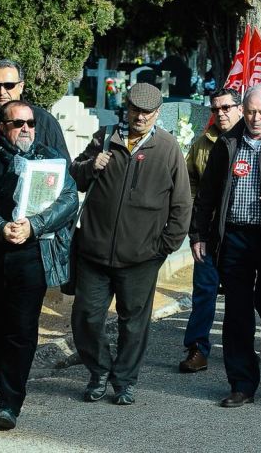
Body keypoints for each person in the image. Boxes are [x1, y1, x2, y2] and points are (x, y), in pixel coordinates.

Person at [0, 100, 78, 429]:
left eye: (30, 123)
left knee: (22, 329)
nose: (26, 129)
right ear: (2, 128)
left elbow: (69, 198)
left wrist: (34, 226)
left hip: (32, 255)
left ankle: (10, 403)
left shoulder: (51, 159)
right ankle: (2, 374)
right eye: (17, 123)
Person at [69, 83, 191, 405]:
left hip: (141, 257)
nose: (140, 117)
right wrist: (90, 165)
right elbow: (75, 176)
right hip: (94, 253)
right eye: (136, 110)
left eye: (148, 112)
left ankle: (124, 381)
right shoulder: (105, 137)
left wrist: (163, 247)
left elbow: (182, 204)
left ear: (157, 113)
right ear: (127, 107)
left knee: (133, 325)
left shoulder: (168, 148)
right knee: (86, 317)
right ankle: (99, 371)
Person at [190, 86, 261, 407]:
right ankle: (242, 383)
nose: (256, 118)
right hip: (235, 239)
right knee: (237, 313)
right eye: (251, 111)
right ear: (243, 110)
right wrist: (198, 234)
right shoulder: (227, 144)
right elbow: (207, 193)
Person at [0, 58, 70, 379]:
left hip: (31, 235)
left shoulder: (42, 121)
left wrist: (36, 221)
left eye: (8, 85)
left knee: (23, 314)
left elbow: (62, 174)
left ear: (21, 86)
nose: (2, 91)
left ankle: (13, 378)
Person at [180, 87, 243, 374]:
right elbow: (189, 186)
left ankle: (243, 349)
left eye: (226, 108)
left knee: (243, 296)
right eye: (215, 109)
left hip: (242, 232)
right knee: (204, 291)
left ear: (239, 109)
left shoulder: (252, 141)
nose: (221, 113)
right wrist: (195, 230)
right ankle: (197, 348)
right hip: (209, 233)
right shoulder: (202, 144)